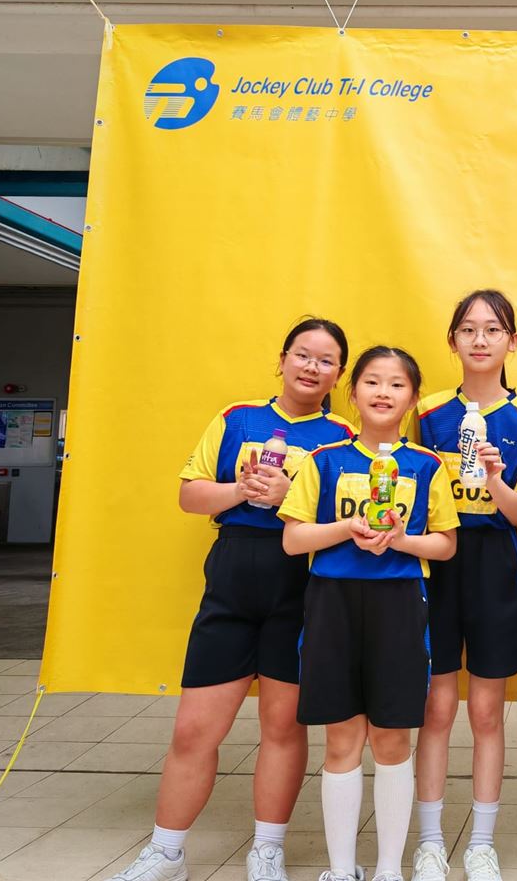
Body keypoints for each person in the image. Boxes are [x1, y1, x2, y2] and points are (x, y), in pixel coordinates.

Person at [108, 317, 354, 881]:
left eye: (326, 361)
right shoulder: (236, 418)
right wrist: (240, 489)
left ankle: (267, 851)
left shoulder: (343, 435)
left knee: (283, 727)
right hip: (234, 577)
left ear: (338, 374)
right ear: (283, 359)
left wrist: (291, 495)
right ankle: (166, 852)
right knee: (194, 729)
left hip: (304, 583)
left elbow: (345, 518)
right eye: (303, 354)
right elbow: (189, 495)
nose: (312, 367)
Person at [281, 345, 459, 881]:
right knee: (340, 739)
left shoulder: (425, 465)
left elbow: (445, 545)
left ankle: (387, 869)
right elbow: (293, 539)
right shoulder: (324, 460)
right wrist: (346, 529)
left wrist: (401, 540)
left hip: (399, 605)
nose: (384, 393)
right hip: (332, 603)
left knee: (392, 739)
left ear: (413, 398)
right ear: (352, 391)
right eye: (372, 382)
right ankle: (342, 869)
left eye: (397, 384)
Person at [413, 290, 517, 881]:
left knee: (487, 711)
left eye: (493, 329)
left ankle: (482, 844)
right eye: (468, 329)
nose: (480, 339)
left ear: (512, 341)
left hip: (494, 565)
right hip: (435, 564)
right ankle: (430, 842)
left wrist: (493, 477)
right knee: (437, 707)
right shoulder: (427, 413)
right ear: (453, 341)